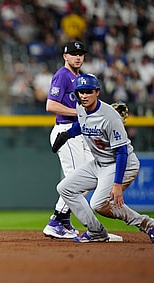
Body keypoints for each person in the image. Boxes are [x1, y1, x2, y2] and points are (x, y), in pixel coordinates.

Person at [53, 73, 154, 243]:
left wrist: (117, 184)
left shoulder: (110, 117)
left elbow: (122, 151)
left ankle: (148, 224)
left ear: (97, 92)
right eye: (80, 92)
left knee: (98, 204)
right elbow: (82, 125)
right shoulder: (80, 107)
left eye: (88, 91)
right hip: (99, 163)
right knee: (65, 188)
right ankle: (96, 232)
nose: (84, 96)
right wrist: (67, 135)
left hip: (121, 163)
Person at [43, 41, 93, 239]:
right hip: (65, 130)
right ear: (65, 56)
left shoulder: (80, 78)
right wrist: (78, 112)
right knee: (75, 181)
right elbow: (50, 105)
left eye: (80, 53)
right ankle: (55, 222)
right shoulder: (63, 75)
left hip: (78, 133)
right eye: (73, 53)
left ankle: (63, 220)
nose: (78, 57)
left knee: (89, 177)